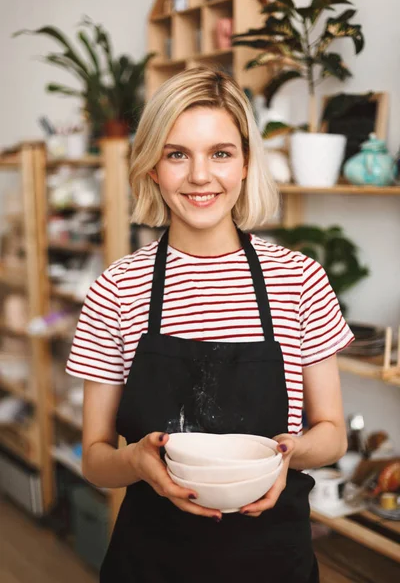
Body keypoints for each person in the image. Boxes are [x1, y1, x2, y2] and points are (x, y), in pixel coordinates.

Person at [66, 66, 354, 582]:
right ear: (153, 166)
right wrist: (135, 462)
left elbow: (332, 435)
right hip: (150, 561)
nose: (201, 176)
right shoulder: (117, 287)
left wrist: (290, 452)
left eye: (220, 153)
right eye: (178, 154)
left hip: (274, 561)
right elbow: (94, 457)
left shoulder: (299, 278)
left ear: (245, 163)